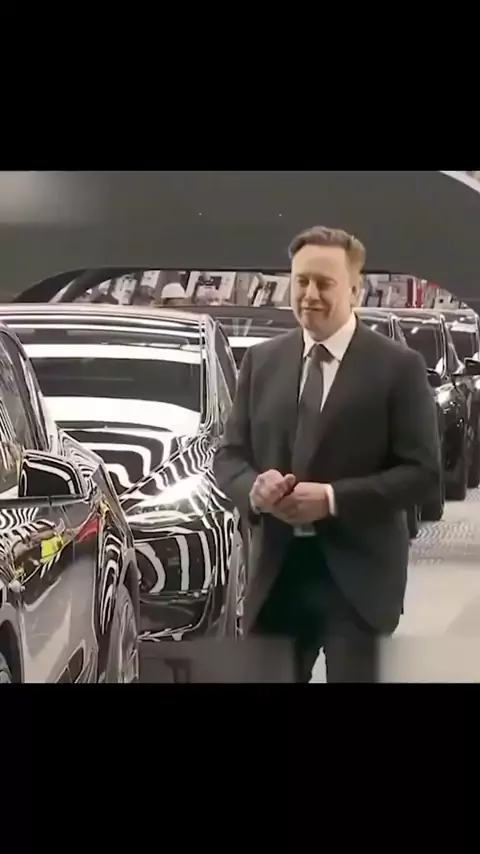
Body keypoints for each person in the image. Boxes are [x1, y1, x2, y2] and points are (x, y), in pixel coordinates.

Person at [213, 226, 441, 683]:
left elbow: (422, 474)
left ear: (355, 290)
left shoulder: (397, 367)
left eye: (324, 283)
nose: (310, 294)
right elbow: (230, 456)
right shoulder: (262, 361)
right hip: (277, 577)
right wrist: (254, 490)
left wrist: (332, 499)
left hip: (357, 582)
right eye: (301, 281)